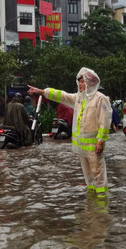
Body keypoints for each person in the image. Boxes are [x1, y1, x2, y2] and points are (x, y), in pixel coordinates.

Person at [28, 67, 112, 199]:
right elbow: (62, 95)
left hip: (94, 147)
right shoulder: (79, 98)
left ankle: (101, 207)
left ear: (90, 82)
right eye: (79, 81)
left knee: (99, 176)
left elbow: (105, 122)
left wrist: (100, 141)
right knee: (88, 177)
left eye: (82, 81)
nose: (80, 84)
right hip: (82, 147)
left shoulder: (100, 99)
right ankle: (91, 204)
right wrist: (43, 92)